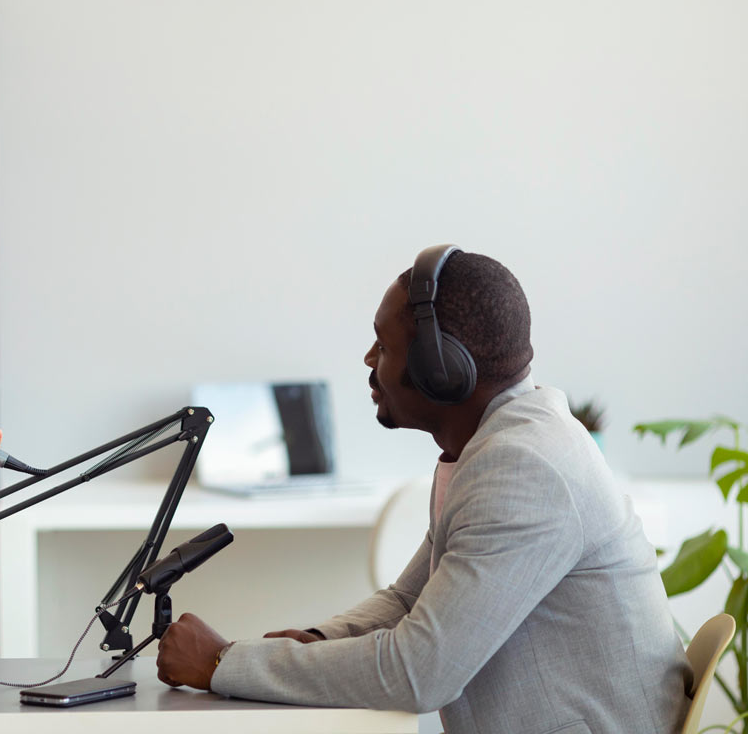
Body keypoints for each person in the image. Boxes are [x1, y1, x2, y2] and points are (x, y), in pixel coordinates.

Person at [155, 245, 692, 734]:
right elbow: (410, 600)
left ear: (444, 371)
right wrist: (318, 641)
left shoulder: (524, 469)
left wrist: (225, 664)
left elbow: (420, 671)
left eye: (383, 345)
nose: (369, 360)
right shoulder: (502, 445)